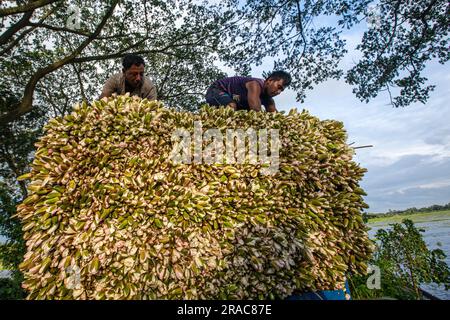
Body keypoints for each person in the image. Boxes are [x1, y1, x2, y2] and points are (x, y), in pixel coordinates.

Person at [205, 71, 291, 112]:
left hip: (234, 97)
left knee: (245, 112)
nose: (278, 92)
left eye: (281, 90)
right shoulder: (255, 85)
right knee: (231, 107)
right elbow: (255, 108)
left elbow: (274, 115)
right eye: (278, 87)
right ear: (269, 81)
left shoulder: (269, 100)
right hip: (216, 90)